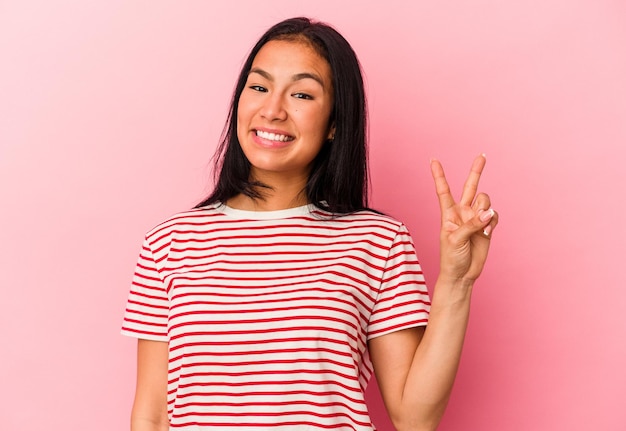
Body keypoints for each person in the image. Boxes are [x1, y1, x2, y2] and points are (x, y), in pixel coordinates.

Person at [121, 17, 498, 431]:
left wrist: (456, 283)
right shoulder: (169, 243)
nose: (272, 110)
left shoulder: (377, 241)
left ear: (335, 123)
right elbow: (152, 414)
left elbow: (415, 418)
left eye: (301, 94)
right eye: (259, 87)